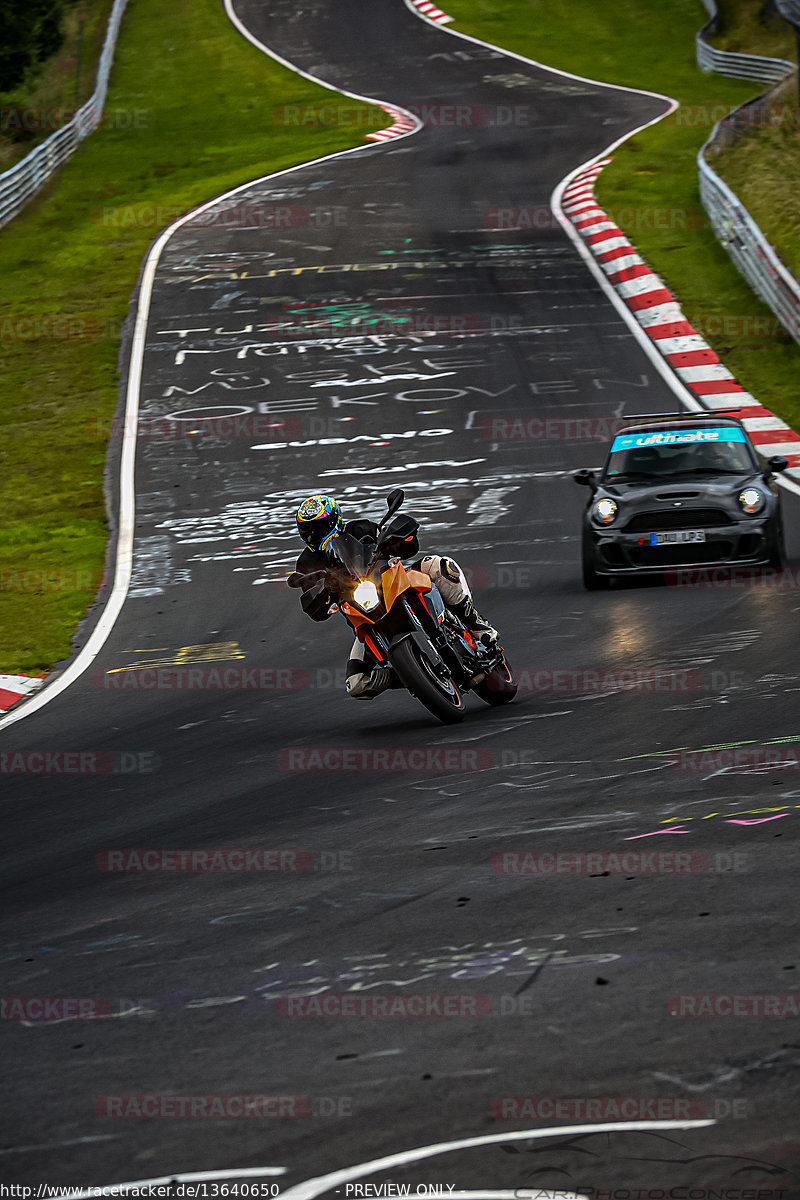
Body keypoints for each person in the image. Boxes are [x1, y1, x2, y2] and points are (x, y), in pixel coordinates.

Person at [292, 494, 499, 700]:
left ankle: (477, 625)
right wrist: (319, 597)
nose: (313, 535)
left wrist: (395, 540)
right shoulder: (306, 564)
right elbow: (313, 602)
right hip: (362, 615)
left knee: (439, 565)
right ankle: (410, 674)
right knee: (356, 684)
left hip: (394, 582)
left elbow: (395, 540)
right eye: (307, 530)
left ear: (334, 519)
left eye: (318, 528)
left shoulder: (360, 528)